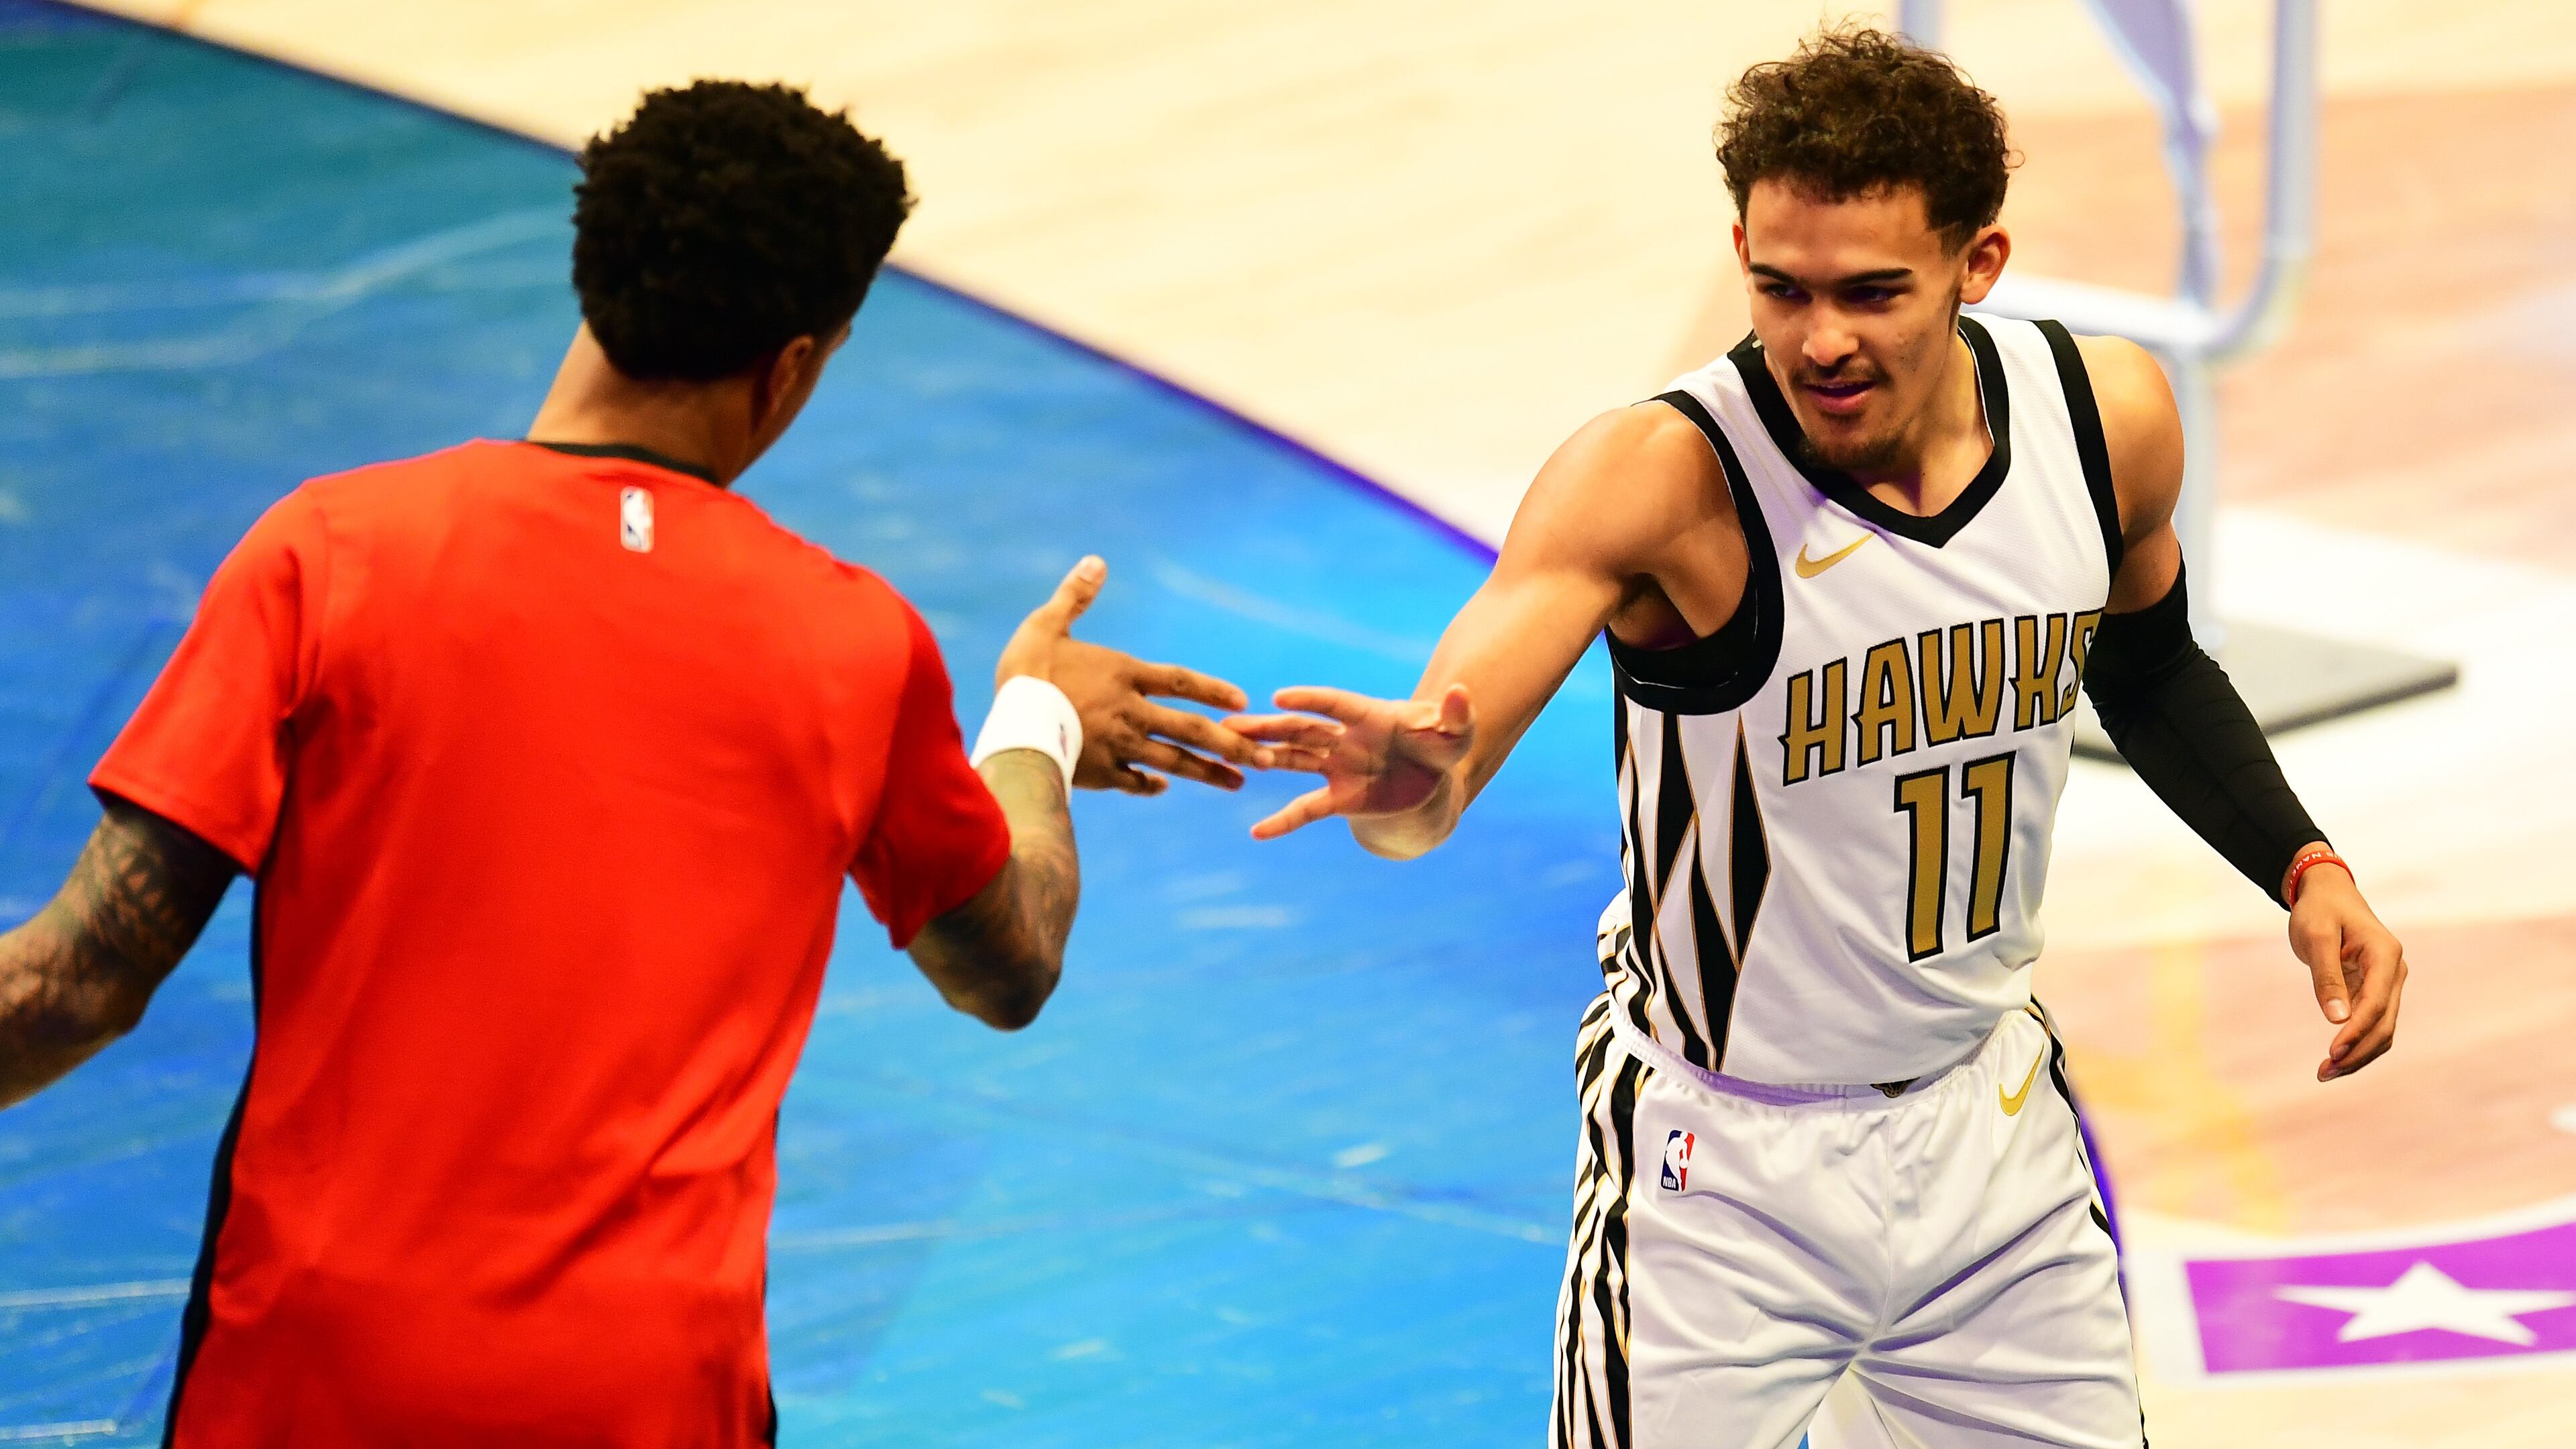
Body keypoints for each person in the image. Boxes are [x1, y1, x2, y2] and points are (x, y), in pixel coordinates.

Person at [0, 81, 1265, 1446]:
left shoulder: (329, 554)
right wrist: (1037, 719)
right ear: (791, 367)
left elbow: (73, 986)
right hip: (652, 1400)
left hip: (313, 1386)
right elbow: (1008, 964)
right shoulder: (859, 646)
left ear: (594, 277)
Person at [1230, 28, 2407, 1449]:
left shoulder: (2104, 421)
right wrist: (1407, 785)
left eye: (1871, 294)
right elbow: (1437, 774)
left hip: (1992, 1133)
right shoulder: (1659, 480)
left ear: (1978, 264)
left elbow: (2146, 666)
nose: (1820, 342)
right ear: (1740, 248)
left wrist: (2303, 865)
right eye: (1781, 289)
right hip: (1721, 1175)